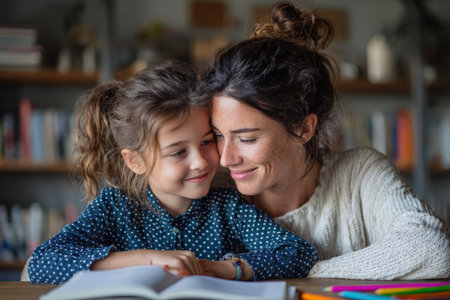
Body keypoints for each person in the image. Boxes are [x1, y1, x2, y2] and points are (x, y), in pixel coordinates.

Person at [201, 1, 450, 280]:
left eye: (246, 138)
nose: (225, 158)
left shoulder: (359, 173)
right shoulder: (213, 189)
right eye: (218, 136)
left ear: (304, 128)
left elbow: (431, 249)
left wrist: (307, 270)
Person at [27, 61, 318, 284]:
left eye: (207, 141)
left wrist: (220, 268)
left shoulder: (227, 208)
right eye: (178, 152)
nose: (201, 162)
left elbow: (297, 252)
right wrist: (144, 260)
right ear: (135, 161)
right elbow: (42, 263)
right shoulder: (114, 207)